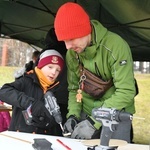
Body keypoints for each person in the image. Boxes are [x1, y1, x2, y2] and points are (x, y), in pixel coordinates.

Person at [54, 2, 137, 142]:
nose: (68, 47)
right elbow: (75, 89)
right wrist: (73, 115)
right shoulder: (72, 54)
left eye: (71, 39)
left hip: (116, 113)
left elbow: (126, 91)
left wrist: (95, 121)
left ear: (84, 31)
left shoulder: (115, 46)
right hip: (86, 112)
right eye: (64, 41)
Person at [0, 49, 64, 135]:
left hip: (43, 142)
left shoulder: (57, 89)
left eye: (57, 70)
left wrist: (47, 121)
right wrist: (30, 103)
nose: (53, 72)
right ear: (41, 66)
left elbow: (55, 123)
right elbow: (3, 91)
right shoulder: (26, 80)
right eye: (50, 67)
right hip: (19, 137)